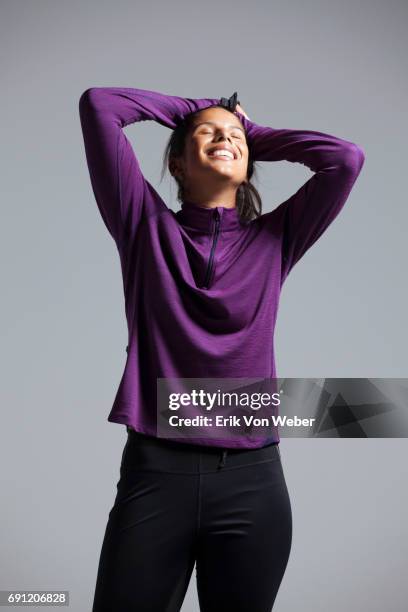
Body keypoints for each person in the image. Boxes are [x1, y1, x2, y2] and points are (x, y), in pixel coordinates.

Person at [79, 86, 365, 612]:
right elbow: (101, 105)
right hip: (156, 471)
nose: (223, 138)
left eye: (234, 137)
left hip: (252, 482)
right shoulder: (143, 225)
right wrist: (202, 107)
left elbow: (344, 160)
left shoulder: (276, 240)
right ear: (179, 163)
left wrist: (250, 133)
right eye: (206, 135)